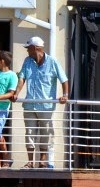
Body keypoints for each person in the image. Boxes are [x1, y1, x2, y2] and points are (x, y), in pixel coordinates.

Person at [14, 36, 69, 170]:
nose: (27, 51)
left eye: (29, 48)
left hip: (46, 106)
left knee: (45, 133)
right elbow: (22, 78)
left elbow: (64, 79)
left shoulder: (52, 62)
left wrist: (65, 95)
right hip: (30, 105)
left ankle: (43, 161)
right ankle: (30, 162)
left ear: (35, 48)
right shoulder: (27, 61)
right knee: (29, 133)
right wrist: (16, 93)